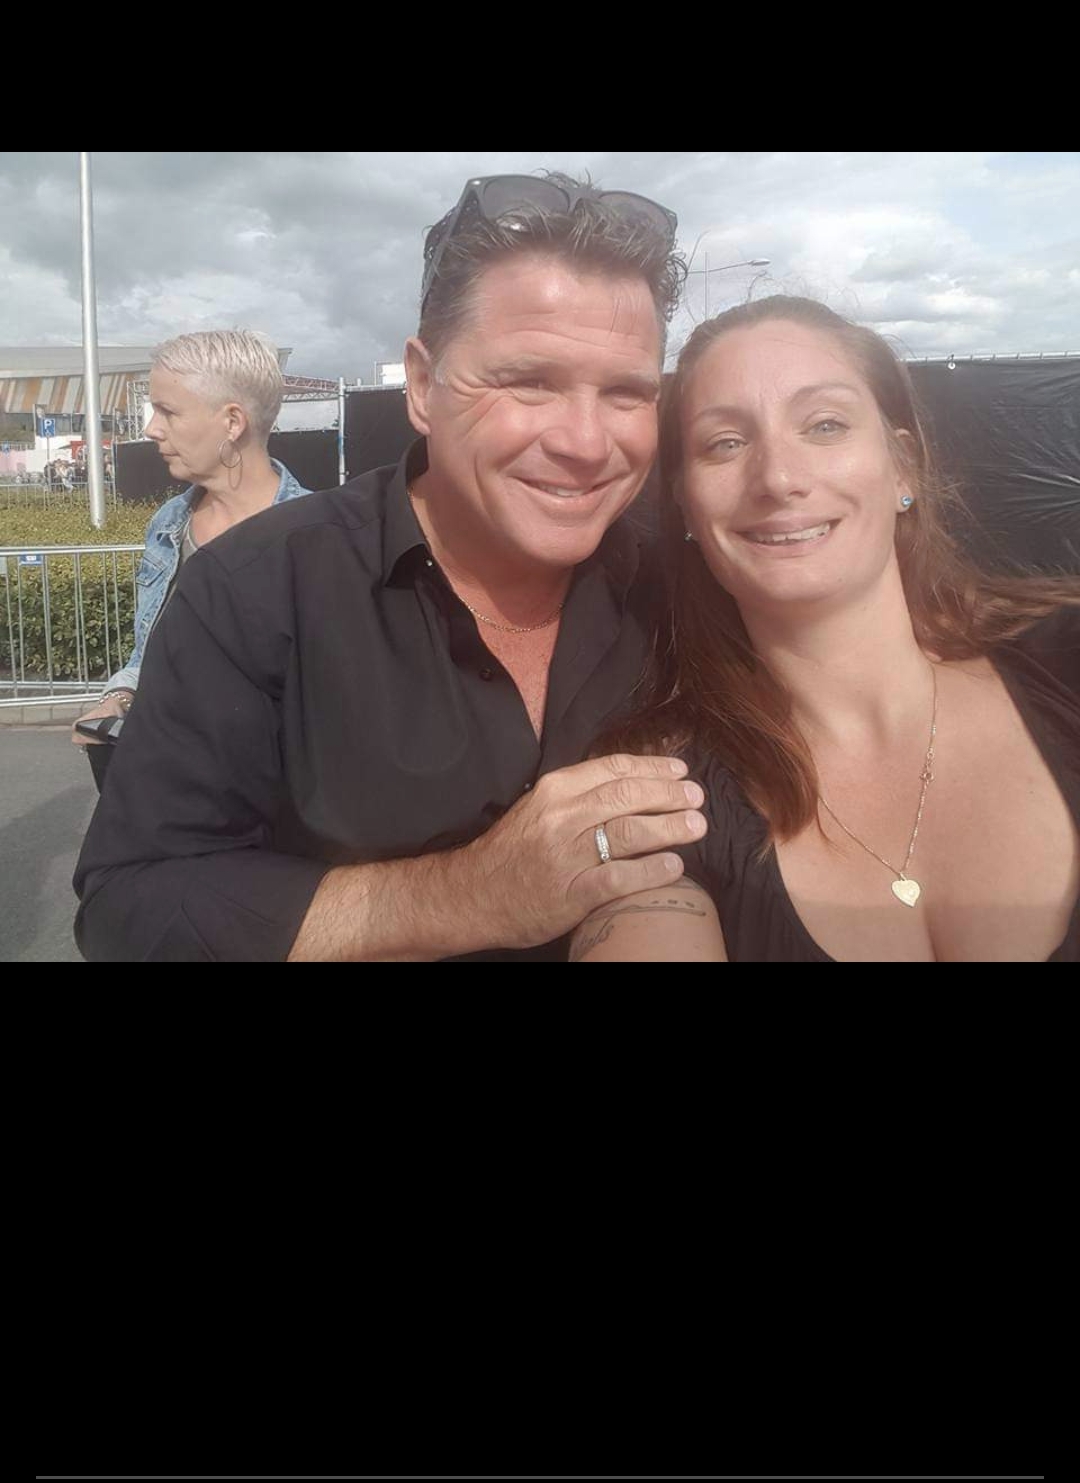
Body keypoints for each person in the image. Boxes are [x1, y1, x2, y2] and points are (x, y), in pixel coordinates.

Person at [73, 175, 707, 962]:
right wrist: (472, 892)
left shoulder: (683, 593)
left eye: (626, 393)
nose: (585, 441)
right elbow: (132, 904)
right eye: (529, 383)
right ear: (423, 385)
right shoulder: (254, 593)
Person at [570, 295, 1080, 965]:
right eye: (726, 443)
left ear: (903, 467)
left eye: (825, 425)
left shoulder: (1065, 660)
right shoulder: (665, 798)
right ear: (686, 505)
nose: (778, 478)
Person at [71, 330, 309, 785]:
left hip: (272, 794)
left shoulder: (317, 535)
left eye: (168, 411)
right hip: (167, 781)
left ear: (232, 422)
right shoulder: (169, 523)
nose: (151, 428)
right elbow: (149, 655)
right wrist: (118, 699)